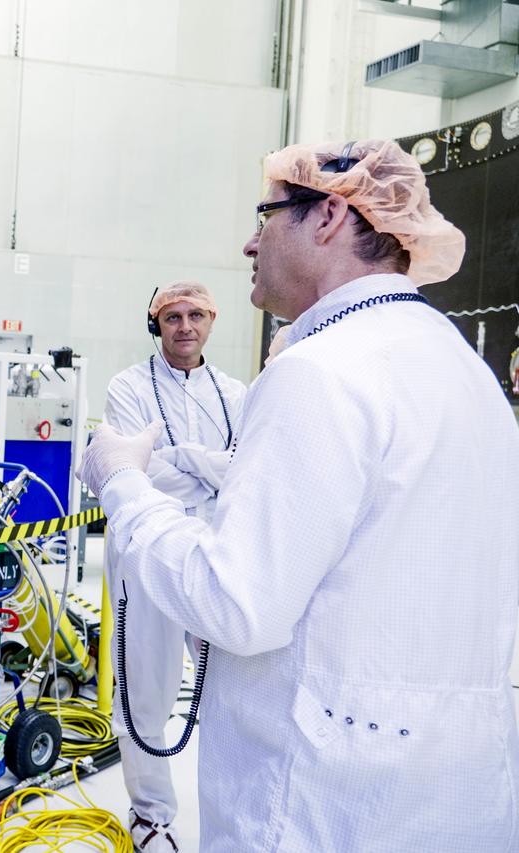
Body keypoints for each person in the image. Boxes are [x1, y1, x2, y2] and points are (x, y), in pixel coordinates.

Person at [79, 139, 519, 850]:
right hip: (458, 795)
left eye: (266, 215)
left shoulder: (319, 370)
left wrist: (123, 483)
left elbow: (237, 603)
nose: (249, 242)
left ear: (329, 216)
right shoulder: (465, 369)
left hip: (326, 801)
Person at [103, 281, 246, 852]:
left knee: (230, 689)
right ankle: (152, 816)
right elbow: (138, 472)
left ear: (211, 320)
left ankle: (233, 809)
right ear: (155, 325)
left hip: (214, 551)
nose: (184, 326)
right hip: (147, 553)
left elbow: (249, 468)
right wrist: (210, 466)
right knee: (146, 690)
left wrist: (180, 458)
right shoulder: (128, 387)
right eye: (171, 317)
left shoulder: (235, 392)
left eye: (194, 315)